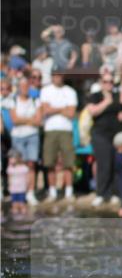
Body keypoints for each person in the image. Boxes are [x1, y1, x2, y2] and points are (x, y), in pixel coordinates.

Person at [87, 71, 122, 207]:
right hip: (100, 134)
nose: (108, 84)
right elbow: (92, 111)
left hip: (114, 135)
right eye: (105, 82)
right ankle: (101, 193)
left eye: (111, 82)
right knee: (103, 163)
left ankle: (114, 192)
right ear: (100, 83)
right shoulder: (95, 96)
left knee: (115, 163)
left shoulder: (116, 96)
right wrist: (106, 102)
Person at [39, 72, 78, 202]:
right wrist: (63, 108)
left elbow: (72, 113)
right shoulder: (45, 90)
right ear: (51, 77)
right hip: (50, 129)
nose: (57, 77)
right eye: (55, 75)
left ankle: (68, 192)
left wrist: (53, 109)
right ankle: (52, 192)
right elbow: (45, 110)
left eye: (60, 75)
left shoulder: (70, 91)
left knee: (68, 162)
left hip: (66, 129)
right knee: (50, 162)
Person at [9, 76, 41, 205]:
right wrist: (30, 120)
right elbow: (14, 120)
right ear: (18, 88)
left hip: (32, 135)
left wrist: (24, 120)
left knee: (31, 164)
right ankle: (19, 193)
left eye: (26, 86)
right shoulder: (13, 101)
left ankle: (30, 192)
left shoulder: (35, 100)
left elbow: (38, 120)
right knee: (19, 165)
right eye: (22, 86)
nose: (24, 88)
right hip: (18, 136)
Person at [6, 151, 29, 215]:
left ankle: (24, 219)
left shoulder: (24, 168)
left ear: (18, 158)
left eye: (11, 158)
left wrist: (27, 187)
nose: (9, 160)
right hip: (13, 189)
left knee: (22, 204)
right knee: (14, 205)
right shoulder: (10, 168)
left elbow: (27, 178)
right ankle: (15, 221)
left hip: (22, 189)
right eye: (9, 158)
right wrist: (9, 186)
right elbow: (9, 178)